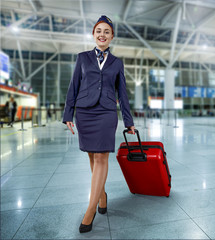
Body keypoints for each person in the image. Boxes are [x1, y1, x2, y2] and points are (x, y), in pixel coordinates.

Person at [62, 15, 135, 233]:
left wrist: (128, 120)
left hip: (106, 113)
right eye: (98, 31)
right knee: (93, 158)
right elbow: (73, 86)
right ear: (93, 34)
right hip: (84, 113)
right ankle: (102, 196)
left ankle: (90, 210)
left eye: (107, 31)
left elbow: (122, 93)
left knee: (102, 156)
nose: (102, 35)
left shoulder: (117, 63)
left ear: (112, 36)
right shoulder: (82, 58)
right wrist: (68, 113)